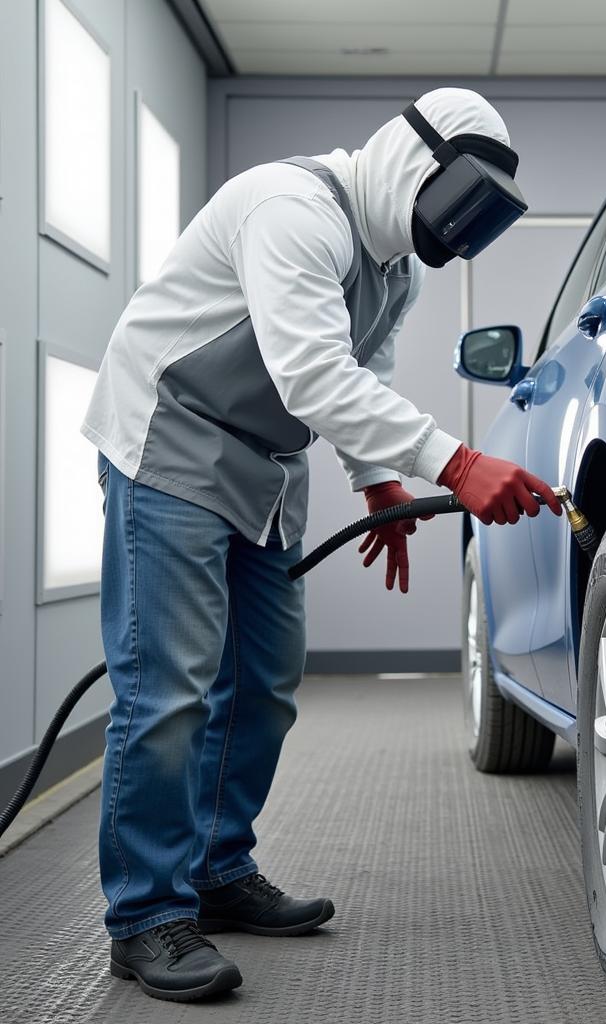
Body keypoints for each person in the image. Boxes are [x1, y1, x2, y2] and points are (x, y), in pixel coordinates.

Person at [81, 87, 561, 1003]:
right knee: (171, 688)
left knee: (262, 679)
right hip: (168, 440)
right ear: (415, 163)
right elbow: (310, 371)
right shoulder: (291, 209)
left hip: (264, 461)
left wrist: (375, 475)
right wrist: (454, 464)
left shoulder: (396, 267)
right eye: (462, 201)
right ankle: (146, 916)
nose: (459, 230)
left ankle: (217, 871)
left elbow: (361, 366)